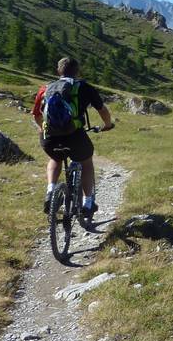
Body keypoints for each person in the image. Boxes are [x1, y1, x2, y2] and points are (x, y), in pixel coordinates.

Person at [33, 57, 114, 219]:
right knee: (86, 162)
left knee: (55, 159)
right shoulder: (83, 86)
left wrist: (44, 129)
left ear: (58, 71)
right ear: (77, 71)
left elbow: (36, 115)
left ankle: (50, 191)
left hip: (50, 137)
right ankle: (88, 202)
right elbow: (102, 109)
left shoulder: (46, 88)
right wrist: (107, 125)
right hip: (75, 135)